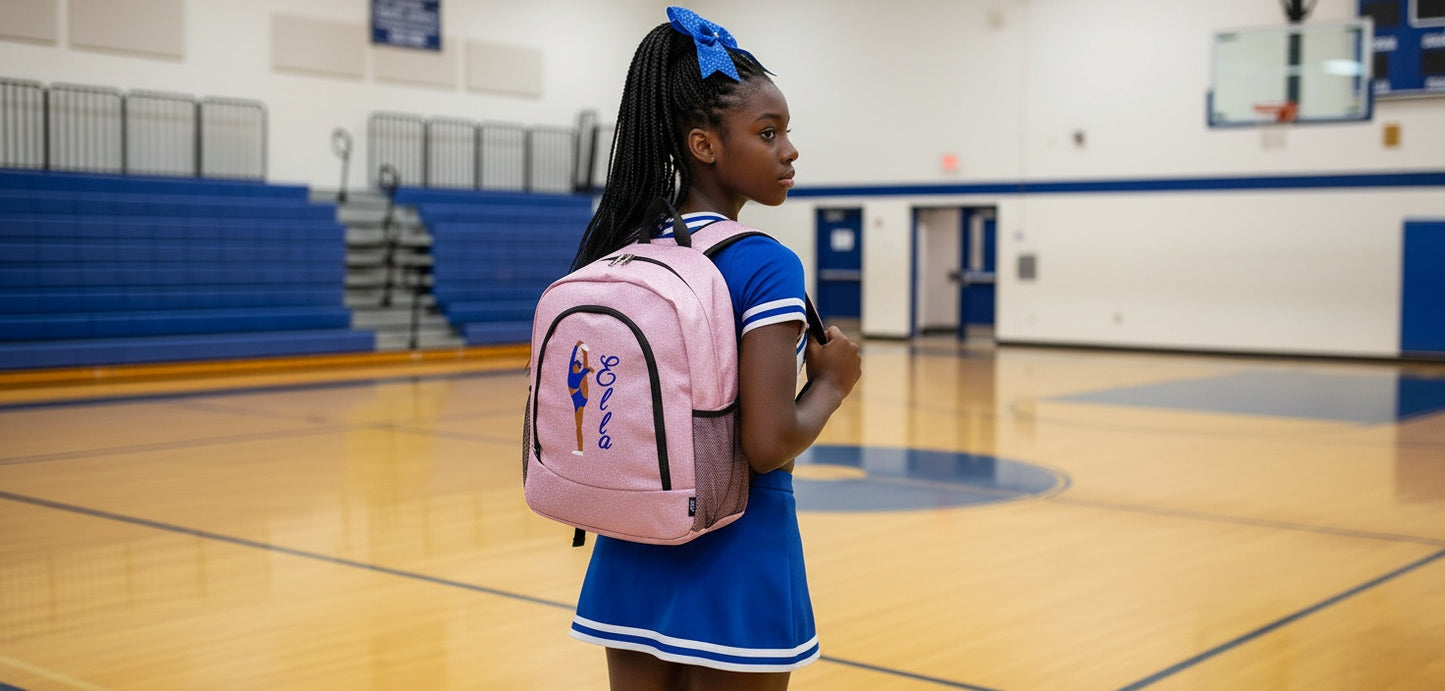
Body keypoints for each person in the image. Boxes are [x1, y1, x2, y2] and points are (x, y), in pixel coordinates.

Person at [566, 7, 862, 690]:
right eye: (767, 132)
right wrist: (831, 384)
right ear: (703, 145)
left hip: (629, 546)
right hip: (734, 551)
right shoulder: (763, 263)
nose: (789, 150)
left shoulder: (628, 248)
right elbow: (766, 442)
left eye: (786, 131)